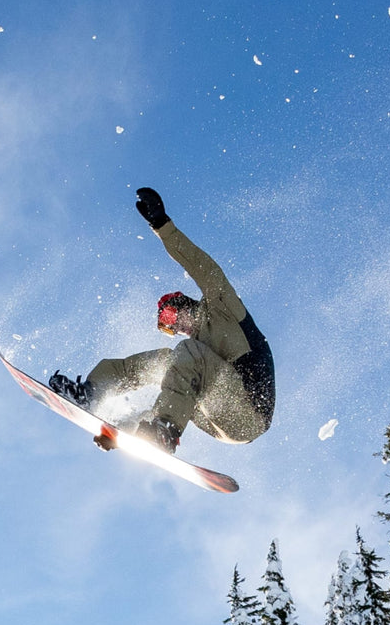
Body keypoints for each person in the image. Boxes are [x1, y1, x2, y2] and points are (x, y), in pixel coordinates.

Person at [49, 187, 275, 455]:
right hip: (222, 422)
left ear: (183, 304)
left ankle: (165, 432)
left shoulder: (220, 305)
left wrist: (162, 225)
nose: (176, 328)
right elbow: (173, 395)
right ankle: (91, 393)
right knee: (166, 364)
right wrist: (119, 433)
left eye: (170, 318)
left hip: (251, 408)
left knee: (186, 354)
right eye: (168, 327)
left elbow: (204, 267)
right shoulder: (197, 359)